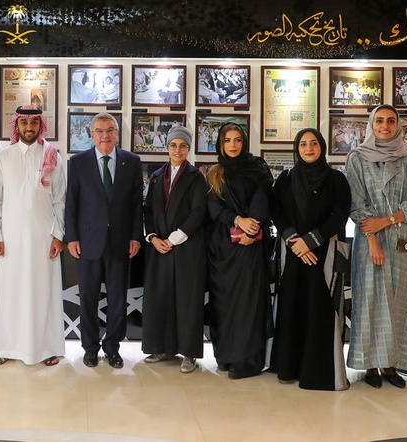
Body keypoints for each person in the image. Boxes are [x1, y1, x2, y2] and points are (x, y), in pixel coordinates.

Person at [345, 104, 407, 389]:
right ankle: (370, 365)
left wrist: (388, 220)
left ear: (398, 126)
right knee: (370, 301)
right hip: (371, 240)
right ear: (371, 124)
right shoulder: (357, 159)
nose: (384, 126)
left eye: (390, 121)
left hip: (402, 240)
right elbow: (356, 202)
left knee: (400, 302)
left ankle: (392, 363)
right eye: (379, 121)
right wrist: (372, 236)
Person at [269, 128, 352, 391]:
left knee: (321, 308)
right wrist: (296, 241)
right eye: (303, 144)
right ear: (296, 148)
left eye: (313, 143)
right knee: (291, 305)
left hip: (324, 254)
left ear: (322, 146)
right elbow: (276, 212)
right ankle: (288, 368)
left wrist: (311, 241)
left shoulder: (337, 180)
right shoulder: (285, 178)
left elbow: (339, 216)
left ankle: (318, 374)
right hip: (293, 254)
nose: (308, 148)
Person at [0, 106, 66, 366]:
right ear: (16, 125)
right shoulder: (3, 157)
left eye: (33, 122)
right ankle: (5, 347)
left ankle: (47, 348)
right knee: (10, 292)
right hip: (10, 239)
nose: (28, 127)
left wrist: (58, 235)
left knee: (43, 293)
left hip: (44, 239)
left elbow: (61, 200)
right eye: (23, 122)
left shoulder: (52, 156)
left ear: (40, 125)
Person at [64, 112, 143, 368]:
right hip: (88, 242)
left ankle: (112, 347)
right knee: (88, 297)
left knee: (118, 298)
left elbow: (135, 204)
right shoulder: (78, 162)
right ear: (91, 135)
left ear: (117, 133)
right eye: (99, 131)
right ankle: (89, 348)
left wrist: (135, 236)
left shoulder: (131, 162)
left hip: (120, 241)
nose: (104, 135)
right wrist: (72, 237)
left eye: (109, 130)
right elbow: (71, 203)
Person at [206, 122, 273, 379]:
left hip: (249, 248)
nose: (233, 145)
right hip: (222, 250)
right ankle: (225, 356)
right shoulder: (215, 172)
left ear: (244, 142)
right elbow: (214, 209)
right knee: (224, 304)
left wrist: (252, 231)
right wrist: (237, 221)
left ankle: (247, 362)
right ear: (220, 144)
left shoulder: (258, 168)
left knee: (248, 304)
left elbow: (263, 201)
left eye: (237, 140)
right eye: (227, 141)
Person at [141, 125, 208, 373]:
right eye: (173, 145)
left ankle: (189, 353)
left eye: (182, 145)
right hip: (159, 248)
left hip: (186, 248)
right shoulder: (157, 176)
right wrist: (152, 237)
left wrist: (174, 238)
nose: (177, 150)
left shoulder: (196, 177)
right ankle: (160, 347)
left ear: (189, 148)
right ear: (166, 147)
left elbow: (199, 212)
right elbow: (147, 210)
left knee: (187, 301)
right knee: (160, 298)